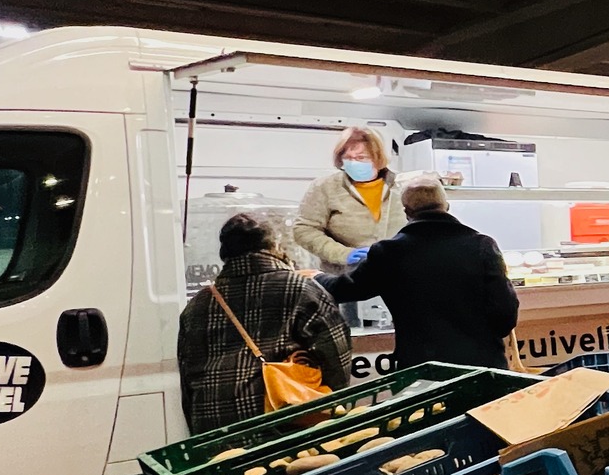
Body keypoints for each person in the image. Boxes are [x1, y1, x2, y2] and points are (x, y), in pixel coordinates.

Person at [323, 173, 519, 368]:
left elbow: (344, 289)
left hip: (421, 370)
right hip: (483, 366)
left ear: (407, 211)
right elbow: (505, 314)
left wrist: (315, 278)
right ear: (446, 206)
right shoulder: (482, 246)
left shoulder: (388, 253)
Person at [177, 213, 351, 433]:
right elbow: (336, 354)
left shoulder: (198, 305)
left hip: (214, 424)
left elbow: (187, 376)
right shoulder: (300, 289)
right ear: (274, 245)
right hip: (283, 418)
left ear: (225, 253)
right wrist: (328, 401)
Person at [293, 125, 407, 278]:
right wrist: (342, 254)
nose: (354, 163)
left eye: (361, 158)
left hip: (397, 273)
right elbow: (304, 229)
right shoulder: (325, 187)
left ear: (377, 158)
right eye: (348, 158)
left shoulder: (402, 185)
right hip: (344, 277)